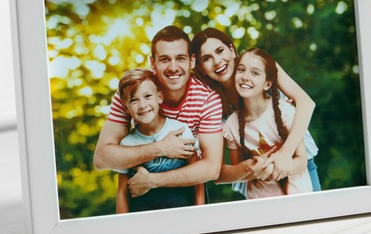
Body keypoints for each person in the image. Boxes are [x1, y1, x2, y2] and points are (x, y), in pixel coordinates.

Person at [93, 25, 223, 201]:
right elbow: (102, 159)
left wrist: (153, 181)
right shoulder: (133, 92)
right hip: (142, 196)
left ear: (192, 61)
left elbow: (211, 168)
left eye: (180, 58)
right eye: (164, 59)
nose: (173, 67)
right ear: (153, 62)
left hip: (183, 192)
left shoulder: (207, 99)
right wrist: (161, 148)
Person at [190, 27, 321, 191]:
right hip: (259, 182)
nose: (217, 61)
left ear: (232, 50)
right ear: (201, 67)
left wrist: (285, 154)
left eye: (220, 51)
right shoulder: (211, 102)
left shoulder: (260, 64)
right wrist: (254, 169)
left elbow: (306, 103)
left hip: (296, 162)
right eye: (207, 58)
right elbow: (219, 172)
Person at [216, 48, 312, 199]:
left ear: (267, 84)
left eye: (255, 73)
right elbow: (237, 171)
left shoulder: (284, 111)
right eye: (241, 70)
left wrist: (272, 168)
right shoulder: (231, 125)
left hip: (298, 194)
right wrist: (253, 168)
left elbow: (302, 162)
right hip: (260, 199)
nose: (245, 77)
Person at [114, 69, 204, 213]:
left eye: (148, 96)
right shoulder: (127, 144)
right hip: (143, 218)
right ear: (126, 108)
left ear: (160, 97)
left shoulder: (180, 130)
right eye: (134, 100)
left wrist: (199, 214)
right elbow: (122, 192)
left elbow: (198, 182)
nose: (142, 105)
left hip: (182, 213)